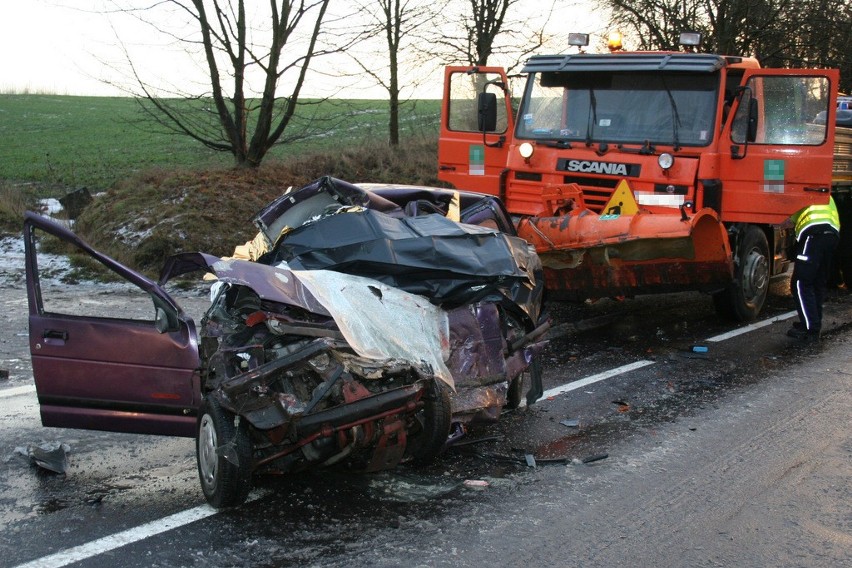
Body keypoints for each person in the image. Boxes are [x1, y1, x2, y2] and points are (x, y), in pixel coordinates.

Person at [786, 196, 841, 342]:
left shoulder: (801, 194)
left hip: (813, 235)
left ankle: (810, 329)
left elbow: (787, 221)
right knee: (817, 283)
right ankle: (813, 323)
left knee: (800, 283)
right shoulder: (826, 193)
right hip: (831, 237)